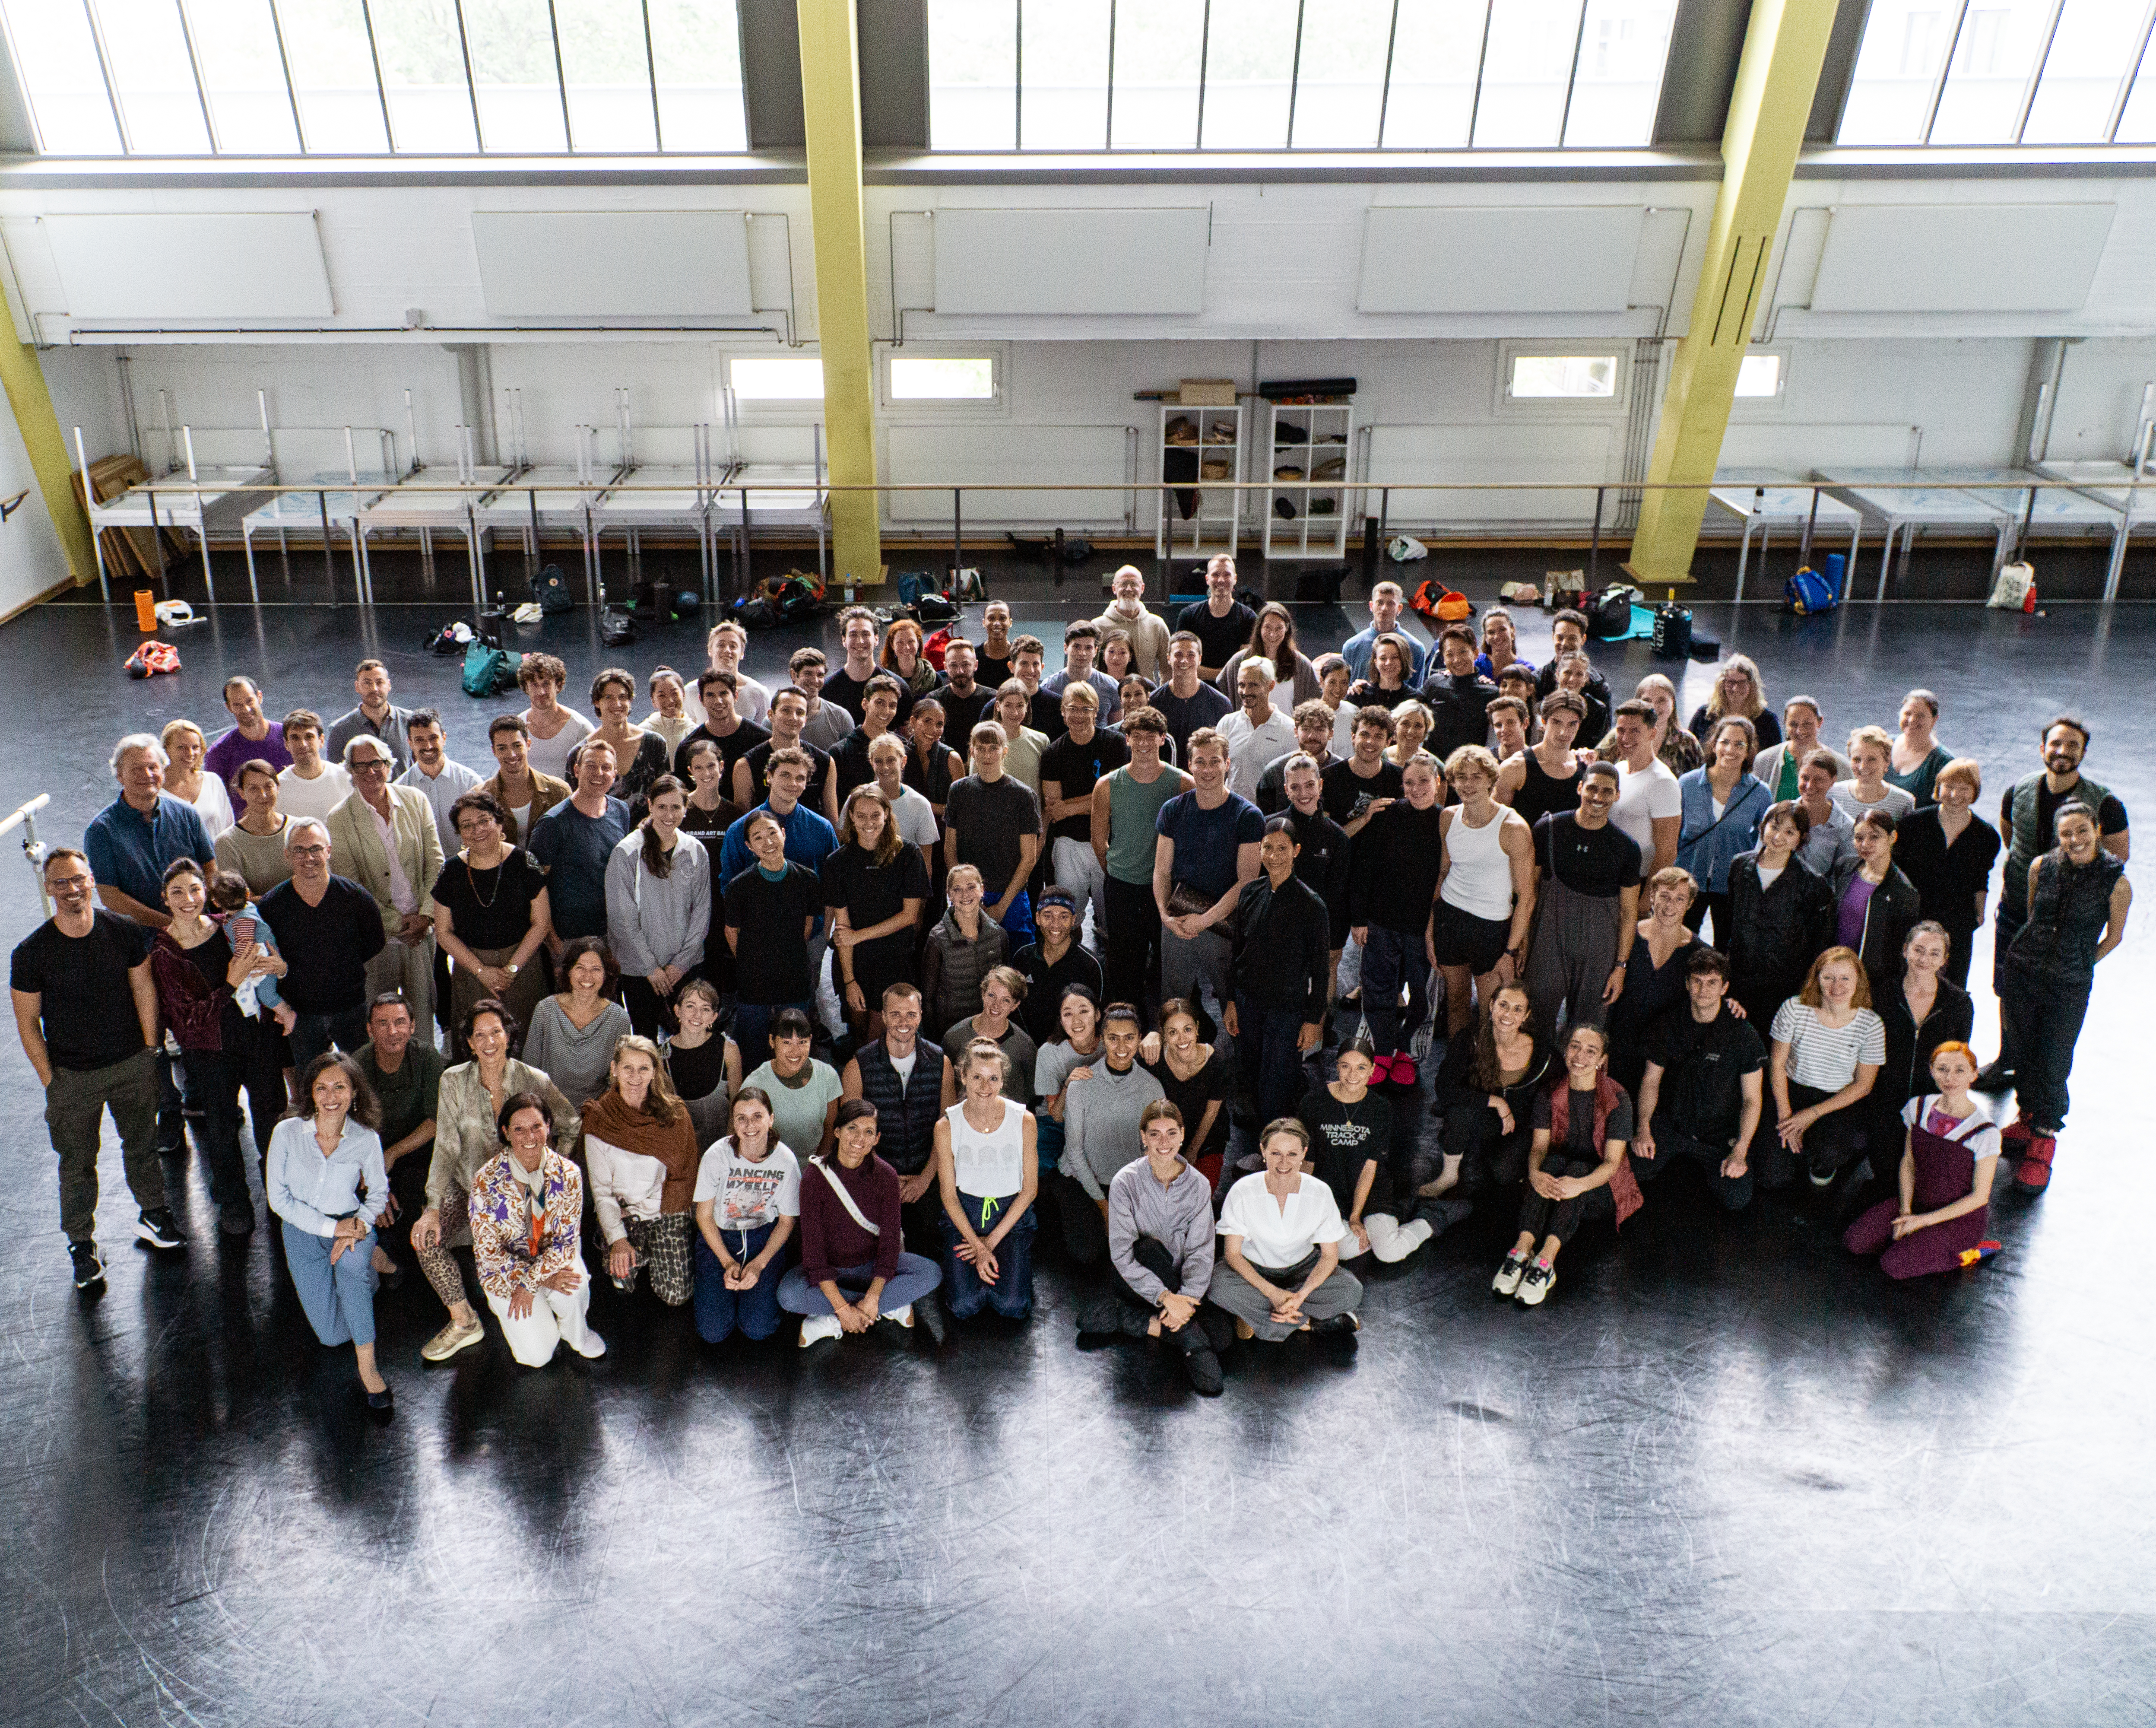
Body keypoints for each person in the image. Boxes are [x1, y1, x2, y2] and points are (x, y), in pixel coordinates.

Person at [12, 849, 181, 1285]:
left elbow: (144, 988)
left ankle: (153, 1214)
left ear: (91, 880)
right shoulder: (31, 953)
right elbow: (28, 1023)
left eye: (78, 880)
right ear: (49, 889)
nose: (71, 890)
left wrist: (149, 1049)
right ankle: (82, 1245)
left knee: (142, 1145)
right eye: (61, 883)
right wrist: (52, 1081)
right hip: (73, 1078)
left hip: (131, 1064)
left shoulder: (122, 931)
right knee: (77, 1162)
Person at [409, 1000, 578, 1360]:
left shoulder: (534, 1079)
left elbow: (570, 1124)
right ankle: (465, 1320)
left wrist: (551, 1173)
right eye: (479, 1035)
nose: (489, 1042)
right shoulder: (452, 1081)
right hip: (469, 1187)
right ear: (469, 1042)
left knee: (550, 1255)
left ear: (508, 1035)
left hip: (526, 1189)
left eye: (496, 1032)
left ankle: (546, 1296)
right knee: (426, 1240)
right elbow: (446, 1147)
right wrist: (433, 1207)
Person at [1993, 801, 2131, 1192]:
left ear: (2097, 829)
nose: (2075, 840)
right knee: (2020, 1047)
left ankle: (2045, 1137)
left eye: (2082, 831)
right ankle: (2028, 1114)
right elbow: (2036, 914)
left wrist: (2081, 964)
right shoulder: (2042, 867)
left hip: (2068, 984)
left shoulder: (2117, 883)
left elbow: (2114, 937)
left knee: (2054, 1058)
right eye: (2067, 833)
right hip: (2023, 971)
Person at [1987, 715, 2129, 1091]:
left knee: (2054, 1006)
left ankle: (2037, 1078)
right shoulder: (2018, 790)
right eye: (2056, 744)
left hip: (2068, 926)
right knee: (2008, 988)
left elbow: (2117, 859)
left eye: (2073, 746)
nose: (2063, 752)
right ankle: (2008, 1059)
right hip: (2017, 909)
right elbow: (2009, 837)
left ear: (2084, 752)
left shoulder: (2107, 803)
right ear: (2042, 748)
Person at [149, 859, 282, 1235]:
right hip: (210, 1054)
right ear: (165, 899)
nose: (188, 899)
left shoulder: (228, 928)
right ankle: (233, 1201)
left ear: (206, 893)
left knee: (271, 1117)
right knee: (222, 1130)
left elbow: (265, 968)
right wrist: (228, 985)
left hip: (255, 1038)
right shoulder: (165, 952)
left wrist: (276, 966)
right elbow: (185, 1021)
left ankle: (281, 1190)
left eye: (195, 889)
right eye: (178, 892)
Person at [266, 1053, 393, 1407]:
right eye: (322, 1088)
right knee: (334, 1336)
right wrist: (331, 1228)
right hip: (303, 1232)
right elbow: (279, 1200)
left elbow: (379, 1193)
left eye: (340, 1087)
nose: (331, 1096)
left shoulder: (365, 1139)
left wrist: (356, 1229)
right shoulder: (287, 1133)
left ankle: (368, 1369)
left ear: (354, 1093)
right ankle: (375, 1262)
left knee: (351, 1273)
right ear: (310, 1093)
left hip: (351, 1223)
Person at [1075, 1101, 1225, 1395]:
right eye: (1155, 1134)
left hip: (1179, 1285)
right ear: (1143, 1137)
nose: (1164, 1142)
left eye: (1171, 1133)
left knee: (1223, 1338)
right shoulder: (1125, 1182)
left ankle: (1145, 1323)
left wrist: (1186, 1299)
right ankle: (1192, 1343)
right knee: (1149, 1249)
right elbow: (1122, 1254)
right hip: (1136, 1277)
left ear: (1183, 1135)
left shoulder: (1198, 1185)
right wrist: (1165, 1296)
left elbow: (1201, 1252)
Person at [1492, 1024, 1640, 1309]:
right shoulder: (1550, 1093)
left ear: (1601, 1060)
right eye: (1575, 1046)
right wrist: (1535, 1174)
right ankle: (1521, 1252)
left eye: (1591, 1051)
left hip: (1598, 1189)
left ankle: (1545, 1263)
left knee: (1578, 1170)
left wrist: (1580, 1185)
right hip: (1559, 1178)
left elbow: (1612, 1164)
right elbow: (1539, 1148)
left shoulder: (1618, 1099)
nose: (1580, 1056)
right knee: (1551, 1163)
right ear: (1566, 1049)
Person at [781, 1098, 946, 1346]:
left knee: (930, 1273)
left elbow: (890, 1244)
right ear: (837, 1132)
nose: (860, 1138)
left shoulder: (887, 1177)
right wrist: (845, 1308)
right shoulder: (814, 1178)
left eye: (868, 1132)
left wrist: (874, 1293)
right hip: (831, 1271)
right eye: (852, 1129)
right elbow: (814, 1254)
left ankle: (835, 1319)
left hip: (872, 1266)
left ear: (877, 1138)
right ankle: (883, 1308)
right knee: (788, 1295)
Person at [1843, 1042, 2003, 1277]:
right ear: (1932, 1071)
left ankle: (1969, 1252)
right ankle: (1917, 1241)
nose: (1950, 1077)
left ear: (1973, 1075)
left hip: (1957, 1219)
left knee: (1894, 1265)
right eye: (1943, 1069)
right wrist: (1906, 1211)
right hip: (1918, 1202)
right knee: (1855, 1241)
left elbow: (1980, 1197)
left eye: (1960, 1070)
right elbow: (1909, 1161)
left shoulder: (1985, 1132)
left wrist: (1923, 1222)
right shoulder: (1918, 1107)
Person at [470, 1090, 606, 1365]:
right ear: (506, 1133)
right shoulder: (485, 1181)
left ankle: (576, 1334)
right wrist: (539, 1280)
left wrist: (533, 1281)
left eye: (536, 1127)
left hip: (553, 1259)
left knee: (573, 1290)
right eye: (519, 1130)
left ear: (548, 1127)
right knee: (538, 1357)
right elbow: (489, 1255)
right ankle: (516, 1314)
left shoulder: (569, 1174)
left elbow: (566, 1243)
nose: (530, 1137)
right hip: (506, 1270)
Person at [1631, 947, 1766, 1213]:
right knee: (1635, 1168)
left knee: (1737, 1198)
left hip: (1719, 1134)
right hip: (1674, 1123)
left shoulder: (1744, 1035)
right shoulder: (1668, 1024)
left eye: (1712, 983)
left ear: (1725, 987)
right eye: (1697, 982)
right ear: (1687, 984)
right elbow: (1650, 1082)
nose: (1704, 990)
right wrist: (1643, 1128)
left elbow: (1752, 1100)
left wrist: (1740, 1149)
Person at [1208, 1118, 1363, 1343]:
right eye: (1276, 1153)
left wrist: (1300, 1296)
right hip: (1254, 1270)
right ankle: (1309, 1323)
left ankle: (1257, 1318)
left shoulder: (1320, 1192)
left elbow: (1330, 1256)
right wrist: (1274, 1294)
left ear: (1304, 1154)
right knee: (1217, 1285)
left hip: (1303, 1269)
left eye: (1292, 1154)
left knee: (1352, 1290)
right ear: (1263, 1150)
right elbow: (1232, 1254)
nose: (1283, 1163)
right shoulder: (1242, 1191)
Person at [326, 734, 442, 1029]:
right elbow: (351, 888)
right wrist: (400, 924)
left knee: (422, 1020)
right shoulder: (338, 819)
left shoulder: (416, 800)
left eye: (376, 763)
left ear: (389, 765)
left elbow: (436, 862)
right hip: (377, 940)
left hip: (422, 933)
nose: (370, 771)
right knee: (381, 1023)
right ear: (350, 771)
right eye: (360, 765)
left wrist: (426, 916)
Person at [1154, 728, 1265, 1033]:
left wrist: (1206, 919)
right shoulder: (1173, 810)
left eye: (1214, 762)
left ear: (1228, 764)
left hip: (1225, 923)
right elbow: (1162, 871)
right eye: (1200, 762)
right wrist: (1165, 915)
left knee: (1234, 1003)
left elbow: (1247, 880)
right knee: (1173, 1001)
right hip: (1178, 921)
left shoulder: (1248, 816)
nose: (1207, 770)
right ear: (1189, 765)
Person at [1523, 762, 1642, 1041]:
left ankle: (1575, 1084)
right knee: (1535, 1015)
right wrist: (1523, 942)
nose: (1598, 797)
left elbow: (1628, 912)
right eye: (1592, 788)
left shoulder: (1626, 848)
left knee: (1589, 1028)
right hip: (1548, 938)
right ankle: (1531, 1080)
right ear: (1580, 788)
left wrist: (1620, 967)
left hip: (1600, 944)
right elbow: (1530, 893)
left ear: (1617, 795)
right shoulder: (1548, 829)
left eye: (1607, 791)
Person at [1346, 751, 1446, 1084]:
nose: (1416, 789)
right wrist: (1359, 918)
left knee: (1421, 993)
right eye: (1408, 783)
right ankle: (1384, 1051)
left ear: (1438, 784)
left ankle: (1406, 1052)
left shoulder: (1446, 821)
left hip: (1422, 927)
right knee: (1378, 990)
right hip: (1381, 921)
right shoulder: (1386, 816)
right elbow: (1363, 869)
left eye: (1423, 782)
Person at [1225, 818, 1330, 1128]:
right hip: (1249, 1003)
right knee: (1253, 1069)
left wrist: (1313, 1020)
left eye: (1283, 848)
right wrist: (1232, 1000)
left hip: (1286, 1009)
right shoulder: (1250, 893)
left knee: (1278, 1081)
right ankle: (1262, 1131)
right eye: (1267, 847)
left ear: (1296, 850)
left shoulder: (1313, 907)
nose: (1274, 855)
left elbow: (1321, 971)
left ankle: (1273, 1144)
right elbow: (1237, 953)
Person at [430, 791, 552, 1052]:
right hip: (472, 969)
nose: (477, 830)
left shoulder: (525, 863)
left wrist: (512, 969)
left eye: (484, 821)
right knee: (476, 1048)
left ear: (499, 823)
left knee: (526, 1046)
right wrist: (481, 971)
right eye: (467, 826)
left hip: (523, 967)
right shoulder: (450, 872)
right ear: (460, 834)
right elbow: (443, 932)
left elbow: (541, 922)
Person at [584, 1034, 700, 1308]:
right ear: (614, 1070)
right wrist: (619, 1239)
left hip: (666, 1210)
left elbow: (685, 1175)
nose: (635, 1077)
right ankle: (632, 1248)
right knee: (623, 1280)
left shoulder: (675, 1114)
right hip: (625, 1213)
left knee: (676, 1295)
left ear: (654, 1073)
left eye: (644, 1069)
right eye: (627, 1068)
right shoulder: (599, 1119)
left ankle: (654, 1251)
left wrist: (654, 1213)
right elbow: (601, 1192)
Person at [259, 819, 386, 1067]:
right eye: (300, 850)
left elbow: (375, 942)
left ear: (329, 851)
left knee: (361, 1078)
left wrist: (342, 966)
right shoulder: (272, 906)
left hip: (351, 1007)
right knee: (311, 1084)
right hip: (300, 1012)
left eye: (316, 848)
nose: (309, 857)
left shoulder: (356, 897)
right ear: (287, 855)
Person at [841, 984, 955, 1245]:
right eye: (895, 1014)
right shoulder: (858, 1065)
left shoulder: (941, 1063)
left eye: (911, 1014)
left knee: (931, 1248)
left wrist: (925, 1178)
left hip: (927, 1176)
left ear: (921, 1016)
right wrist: (884, 1176)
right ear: (883, 1017)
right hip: (875, 1174)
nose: (903, 1022)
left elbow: (947, 1126)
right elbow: (852, 1134)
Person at [935, 1039, 1040, 1321]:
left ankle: (1014, 1265)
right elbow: (949, 1196)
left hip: (1010, 1217)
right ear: (964, 1077)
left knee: (1013, 1305)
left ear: (1003, 1079)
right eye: (977, 1078)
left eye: (993, 1078)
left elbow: (1029, 1190)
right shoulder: (946, 1126)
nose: (985, 1086)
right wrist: (976, 1244)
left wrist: (989, 1243)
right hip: (964, 1217)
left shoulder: (1024, 1120)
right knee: (963, 1306)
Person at [1434, 745, 1535, 1039]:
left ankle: (1485, 1073)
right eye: (1461, 777)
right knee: (1456, 1003)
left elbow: (1526, 898)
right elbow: (1443, 874)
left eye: (1476, 777)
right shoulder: (1448, 818)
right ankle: (1457, 1066)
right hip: (1450, 919)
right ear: (1452, 782)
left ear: (1491, 779)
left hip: (1492, 928)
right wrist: (1432, 928)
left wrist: (1510, 950)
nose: (1468, 784)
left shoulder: (1514, 828)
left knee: (1493, 1011)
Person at [1298, 1038, 1429, 1264]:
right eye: (1345, 1066)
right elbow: (1308, 1159)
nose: (1352, 1075)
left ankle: (1430, 1221)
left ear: (1373, 1071)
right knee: (1345, 1250)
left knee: (1389, 1253)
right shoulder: (1313, 1102)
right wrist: (1303, 1202)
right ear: (1336, 1066)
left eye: (1361, 1068)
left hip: (1371, 1191)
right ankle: (1376, 1235)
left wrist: (1356, 1216)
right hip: (1331, 1191)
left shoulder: (1380, 1108)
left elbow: (1371, 1166)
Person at [1091, 707, 1188, 1011]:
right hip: (1122, 888)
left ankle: (1170, 1028)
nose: (1144, 744)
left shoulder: (1183, 784)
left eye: (1151, 737)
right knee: (1124, 965)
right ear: (1127, 740)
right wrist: (1120, 870)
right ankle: (1128, 1027)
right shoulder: (1107, 785)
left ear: (1163, 740)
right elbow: (1099, 840)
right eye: (1137, 737)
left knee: (1168, 965)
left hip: (1166, 891)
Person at [1054, 1004, 1167, 1264]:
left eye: (1129, 1038)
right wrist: (1106, 1209)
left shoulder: (1152, 1088)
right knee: (1088, 1256)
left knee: (1140, 1247)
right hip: (1083, 1179)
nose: (1121, 1047)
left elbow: (1153, 1151)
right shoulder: (1082, 1085)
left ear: (1140, 1040)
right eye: (1113, 1038)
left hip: (1127, 1183)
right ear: (1103, 1039)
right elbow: (1075, 1152)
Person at [1766, 947, 1883, 1193]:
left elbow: (1864, 1085)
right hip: (1792, 1090)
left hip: (1836, 1099)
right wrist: (1787, 1117)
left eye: (1845, 978)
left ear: (1858, 981)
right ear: (1816, 979)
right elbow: (1777, 1065)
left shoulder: (1871, 1024)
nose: (1836, 986)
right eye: (1828, 977)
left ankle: (1822, 1163)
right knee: (1773, 1176)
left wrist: (1812, 1114)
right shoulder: (1794, 1008)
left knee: (1829, 1155)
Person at [688, 1085, 799, 1343]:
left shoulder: (786, 1161)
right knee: (713, 1333)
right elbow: (703, 1216)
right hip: (720, 1237)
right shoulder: (716, 1156)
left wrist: (759, 1265)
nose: (750, 1125)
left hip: (763, 1237)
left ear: (771, 1119)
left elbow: (786, 1221)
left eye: (758, 1116)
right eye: (742, 1118)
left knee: (758, 1329)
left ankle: (751, 1296)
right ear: (734, 1122)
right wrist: (728, 1263)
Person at [606, 773, 711, 1037]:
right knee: (644, 1040)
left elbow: (701, 913)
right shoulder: (626, 852)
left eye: (676, 807)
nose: (669, 814)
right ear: (650, 805)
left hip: (684, 968)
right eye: (662, 807)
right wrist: (651, 969)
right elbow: (622, 919)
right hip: (640, 972)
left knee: (688, 1036)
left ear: (686, 810)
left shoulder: (695, 851)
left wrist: (680, 965)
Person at [822, 786, 929, 1039]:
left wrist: (859, 936)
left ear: (887, 815)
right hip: (856, 962)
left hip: (896, 959)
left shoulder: (909, 854)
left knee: (882, 1035)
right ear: (851, 817)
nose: (868, 822)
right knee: (859, 1036)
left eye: (875, 815)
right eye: (861, 815)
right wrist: (850, 981)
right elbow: (843, 928)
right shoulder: (837, 862)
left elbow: (909, 916)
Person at [1430, 982, 1550, 1205]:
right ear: (1491, 1005)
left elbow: (1557, 1092)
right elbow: (1444, 1087)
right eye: (1503, 1005)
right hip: (1481, 1115)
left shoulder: (1541, 1051)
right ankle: (1448, 1176)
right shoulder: (1469, 1038)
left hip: (1517, 1125)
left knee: (1502, 1174)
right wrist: (1496, 1102)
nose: (1508, 1014)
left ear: (1526, 1016)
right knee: (1459, 1113)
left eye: (1518, 1009)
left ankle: (1478, 1152)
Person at [1722, 800, 1835, 1032]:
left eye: (1790, 832)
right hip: (1738, 977)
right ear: (1763, 828)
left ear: (1800, 839)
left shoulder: (1813, 883)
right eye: (1774, 827)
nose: (1778, 837)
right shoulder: (1739, 866)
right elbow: (1727, 925)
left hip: (1782, 986)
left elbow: (1817, 942)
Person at [723, 810, 822, 1070]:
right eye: (758, 838)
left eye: (772, 833)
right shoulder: (739, 887)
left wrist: (785, 952)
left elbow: (808, 927)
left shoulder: (808, 879)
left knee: (794, 1046)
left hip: (794, 977)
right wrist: (752, 960)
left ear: (784, 834)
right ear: (749, 846)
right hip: (753, 982)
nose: (768, 842)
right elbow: (732, 932)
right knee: (754, 1053)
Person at [85, 734, 216, 929]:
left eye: (153, 767)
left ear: (163, 770)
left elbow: (210, 867)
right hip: (142, 940)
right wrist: (171, 925)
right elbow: (110, 896)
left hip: (199, 929)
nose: (147, 775)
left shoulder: (187, 814)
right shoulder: (101, 831)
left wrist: (197, 915)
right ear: (120, 775)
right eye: (137, 769)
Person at [355, 991, 444, 1277]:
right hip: (370, 1160)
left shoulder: (428, 1058)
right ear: (370, 1030)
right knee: (377, 1212)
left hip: (417, 1152)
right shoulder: (357, 1066)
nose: (393, 1032)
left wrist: (393, 1153)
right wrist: (375, 1185)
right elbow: (351, 1133)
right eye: (382, 1024)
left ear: (413, 1026)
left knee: (417, 1210)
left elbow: (435, 1121)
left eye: (400, 1022)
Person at [1893, 759, 1999, 992]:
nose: (1955, 794)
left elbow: (1981, 879)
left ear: (1975, 792)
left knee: (1951, 987)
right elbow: (1896, 872)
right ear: (1938, 787)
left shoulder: (1987, 836)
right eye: (1949, 786)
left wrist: (1980, 915)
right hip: (1914, 915)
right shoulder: (1912, 824)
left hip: (1957, 921)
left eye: (1964, 788)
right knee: (1904, 982)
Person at [1873, 921, 1975, 1150]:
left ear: (1944, 960)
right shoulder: (1881, 994)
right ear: (1905, 950)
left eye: (1934, 953)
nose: (1924, 959)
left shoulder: (1959, 1004)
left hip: (1929, 1104)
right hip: (1882, 1099)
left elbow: (1957, 1062)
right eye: (1918, 950)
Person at [1604, 867, 1702, 1097]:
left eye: (1680, 899)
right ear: (1652, 897)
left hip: (1663, 1058)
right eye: (1665, 897)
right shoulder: (1626, 937)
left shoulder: (1699, 953)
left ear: (1689, 904)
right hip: (1618, 1046)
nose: (1670, 906)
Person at [946, 721, 1042, 944]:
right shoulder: (959, 791)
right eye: (981, 748)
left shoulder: (1023, 795)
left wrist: (1003, 906)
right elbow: (950, 851)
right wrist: (967, 895)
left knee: (1016, 968)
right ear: (972, 751)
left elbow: (1029, 857)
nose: (987, 755)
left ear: (1004, 751)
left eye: (993, 748)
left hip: (1011, 895)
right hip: (968, 894)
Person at [1676, 717, 1769, 944]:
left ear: (1749, 751)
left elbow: (1764, 842)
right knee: (1681, 943)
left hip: (1732, 885)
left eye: (1740, 745)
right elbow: (1673, 834)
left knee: (1727, 949)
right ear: (1714, 744)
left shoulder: (1760, 793)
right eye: (1725, 742)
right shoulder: (1687, 784)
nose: (1731, 750)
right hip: (1688, 880)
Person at [529, 738, 631, 947]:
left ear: (615, 774)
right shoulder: (553, 824)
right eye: (591, 766)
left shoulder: (621, 811)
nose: (599, 773)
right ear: (576, 770)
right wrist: (552, 939)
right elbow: (534, 886)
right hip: (569, 936)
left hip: (613, 932)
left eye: (606, 768)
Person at [522, 936, 633, 1107]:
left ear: (606, 974)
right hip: (547, 1110)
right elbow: (529, 1070)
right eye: (580, 968)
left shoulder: (619, 1018)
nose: (587, 976)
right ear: (569, 971)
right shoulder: (546, 1009)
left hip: (597, 1111)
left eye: (596, 969)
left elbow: (619, 1080)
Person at [1141, 997, 1235, 1189]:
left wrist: (1192, 1152)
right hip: (1166, 1137)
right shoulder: (1155, 1059)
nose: (1183, 1039)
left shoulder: (1216, 1063)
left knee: (1198, 1192)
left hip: (1207, 1141)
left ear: (1197, 1028)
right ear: (1164, 1034)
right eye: (1173, 1032)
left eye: (1188, 1029)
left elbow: (1211, 1114)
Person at [1829, 810, 1921, 1001]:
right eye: (1859, 838)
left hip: (1868, 983)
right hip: (1831, 970)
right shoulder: (1844, 868)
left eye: (1874, 837)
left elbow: (1900, 954)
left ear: (1892, 837)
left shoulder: (1903, 892)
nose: (1865, 845)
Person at [1027, 982, 1103, 1194]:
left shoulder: (1112, 1043)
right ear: (1061, 1020)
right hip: (1055, 1122)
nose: (1077, 1021)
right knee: (1034, 1162)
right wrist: (1069, 1085)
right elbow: (1056, 1115)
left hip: (1096, 1120)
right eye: (1068, 1014)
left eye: (1084, 1011)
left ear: (1097, 1014)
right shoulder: (1049, 1053)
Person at [1011, 887, 1103, 1046]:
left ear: (1074, 920)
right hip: (1027, 1046)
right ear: (1038, 918)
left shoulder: (1090, 965)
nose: (1056, 924)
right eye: (1048, 916)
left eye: (1064, 916)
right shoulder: (1022, 958)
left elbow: (1099, 1018)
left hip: (1072, 1050)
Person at [922, 863, 1007, 1032]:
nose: (965, 895)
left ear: (982, 890)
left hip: (991, 1026)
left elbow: (1007, 988)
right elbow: (928, 998)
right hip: (951, 1029)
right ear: (949, 895)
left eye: (971, 887)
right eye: (957, 889)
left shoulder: (999, 935)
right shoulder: (937, 939)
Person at [1497, 690, 1590, 833]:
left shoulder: (1585, 767)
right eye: (1557, 723)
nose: (1563, 732)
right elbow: (1495, 821)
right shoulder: (1516, 766)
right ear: (1544, 722)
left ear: (1579, 725)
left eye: (1572, 724)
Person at [737, 685, 835, 817]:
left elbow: (832, 821)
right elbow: (742, 822)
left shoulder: (825, 762)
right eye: (786, 710)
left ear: (805, 720)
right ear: (771, 715)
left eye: (800, 713)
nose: (793, 718)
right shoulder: (746, 765)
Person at [1608, 700, 1681, 877]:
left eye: (1635, 731)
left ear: (1652, 733)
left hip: (1637, 881)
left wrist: (1645, 902)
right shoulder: (1618, 769)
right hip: (1610, 877)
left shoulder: (1663, 782)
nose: (1625, 739)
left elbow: (1667, 852)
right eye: (1621, 730)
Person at [942, 966, 1036, 1101]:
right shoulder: (954, 1038)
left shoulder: (1024, 1046)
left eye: (1006, 1000)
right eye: (992, 996)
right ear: (983, 994)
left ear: (1015, 1005)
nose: (996, 1005)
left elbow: (1029, 1099)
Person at [396, 708, 484, 852]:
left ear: (444, 738)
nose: (428, 746)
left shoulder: (471, 782)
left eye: (433, 738)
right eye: (419, 740)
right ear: (410, 743)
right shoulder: (401, 789)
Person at [663, 978, 741, 1141]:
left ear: (714, 1017)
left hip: (721, 1151)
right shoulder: (660, 1057)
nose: (697, 1015)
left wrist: (725, 1152)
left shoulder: (729, 1050)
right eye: (690, 1006)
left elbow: (738, 1108)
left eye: (705, 1009)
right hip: (679, 1152)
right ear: (678, 1011)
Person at [587, 668, 672, 815]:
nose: (618, 704)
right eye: (609, 698)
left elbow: (666, 796)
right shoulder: (583, 751)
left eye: (623, 697)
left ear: (630, 701)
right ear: (597, 702)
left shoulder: (655, 744)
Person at [479, 715, 571, 845]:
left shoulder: (559, 792)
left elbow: (571, 841)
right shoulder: (481, 798)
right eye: (502, 748)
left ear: (528, 745)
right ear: (494, 751)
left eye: (517, 746)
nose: (512, 754)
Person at [828, 673, 910, 816]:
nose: (886, 711)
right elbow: (836, 806)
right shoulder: (840, 752)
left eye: (892, 706)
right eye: (880, 703)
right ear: (865, 704)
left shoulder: (905, 750)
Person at [672, 669, 769, 787]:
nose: (718, 701)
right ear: (701, 700)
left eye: (724, 693)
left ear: (735, 696)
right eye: (710, 695)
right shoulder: (687, 748)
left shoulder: (763, 740)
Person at [1220, 601, 1321, 712]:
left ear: (1287, 629)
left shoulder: (1301, 664)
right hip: (1250, 728)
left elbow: (1314, 701)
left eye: (1279, 628)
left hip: (1288, 728)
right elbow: (1222, 690)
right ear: (1260, 628)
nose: (1273, 634)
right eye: (1268, 627)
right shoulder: (1239, 660)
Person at [1148, 631, 1234, 761]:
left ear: (1200, 659)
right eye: (1178, 655)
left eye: (1191, 655)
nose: (1184, 660)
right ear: (1169, 658)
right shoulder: (1153, 703)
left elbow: (1226, 752)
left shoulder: (1220, 703)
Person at [215, 761, 295, 896]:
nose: (263, 795)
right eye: (253, 789)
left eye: (268, 786)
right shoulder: (228, 842)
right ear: (242, 793)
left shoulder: (297, 829)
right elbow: (238, 900)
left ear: (278, 787)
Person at [1420, 626, 1500, 761]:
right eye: (1450, 655)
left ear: (1475, 653)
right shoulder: (1434, 684)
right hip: (1435, 768)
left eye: (1463, 652)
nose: (1457, 660)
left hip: (1471, 771)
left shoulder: (1490, 693)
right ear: (1443, 658)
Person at [326, 658, 415, 775]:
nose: (374, 689)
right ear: (357, 687)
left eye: (379, 682)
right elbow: (337, 777)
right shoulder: (340, 730)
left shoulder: (411, 721)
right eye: (367, 683)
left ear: (389, 685)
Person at [1751, 696, 1849, 801]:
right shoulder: (1764, 761)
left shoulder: (1841, 766)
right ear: (1785, 724)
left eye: (1807, 724)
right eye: (1793, 725)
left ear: (1820, 722)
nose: (1800, 731)